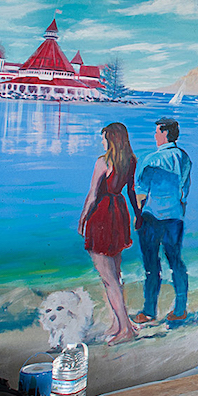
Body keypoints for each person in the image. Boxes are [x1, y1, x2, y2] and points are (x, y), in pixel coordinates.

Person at [78, 121, 138, 345]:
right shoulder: (130, 161)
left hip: (103, 215)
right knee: (116, 274)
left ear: (111, 139)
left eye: (104, 137)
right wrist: (137, 214)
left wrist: (83, 218)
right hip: (119, 213)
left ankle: (126, 330)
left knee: (108, 278)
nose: (101, 141)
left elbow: (93, 195)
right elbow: (131, 190)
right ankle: (119, 323)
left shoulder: (102, 162)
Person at [132, 116, 192, 327]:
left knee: (151, 265)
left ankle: (149, 311)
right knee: (176, 262)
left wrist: (138, 214)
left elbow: (141, 191)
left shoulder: (150, 160)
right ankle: (180, 309)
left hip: (152, 217)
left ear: (165, 133)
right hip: (175, 217)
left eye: (157, 131)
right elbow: (184, 190)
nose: (154, 135)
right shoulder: (184, 158)